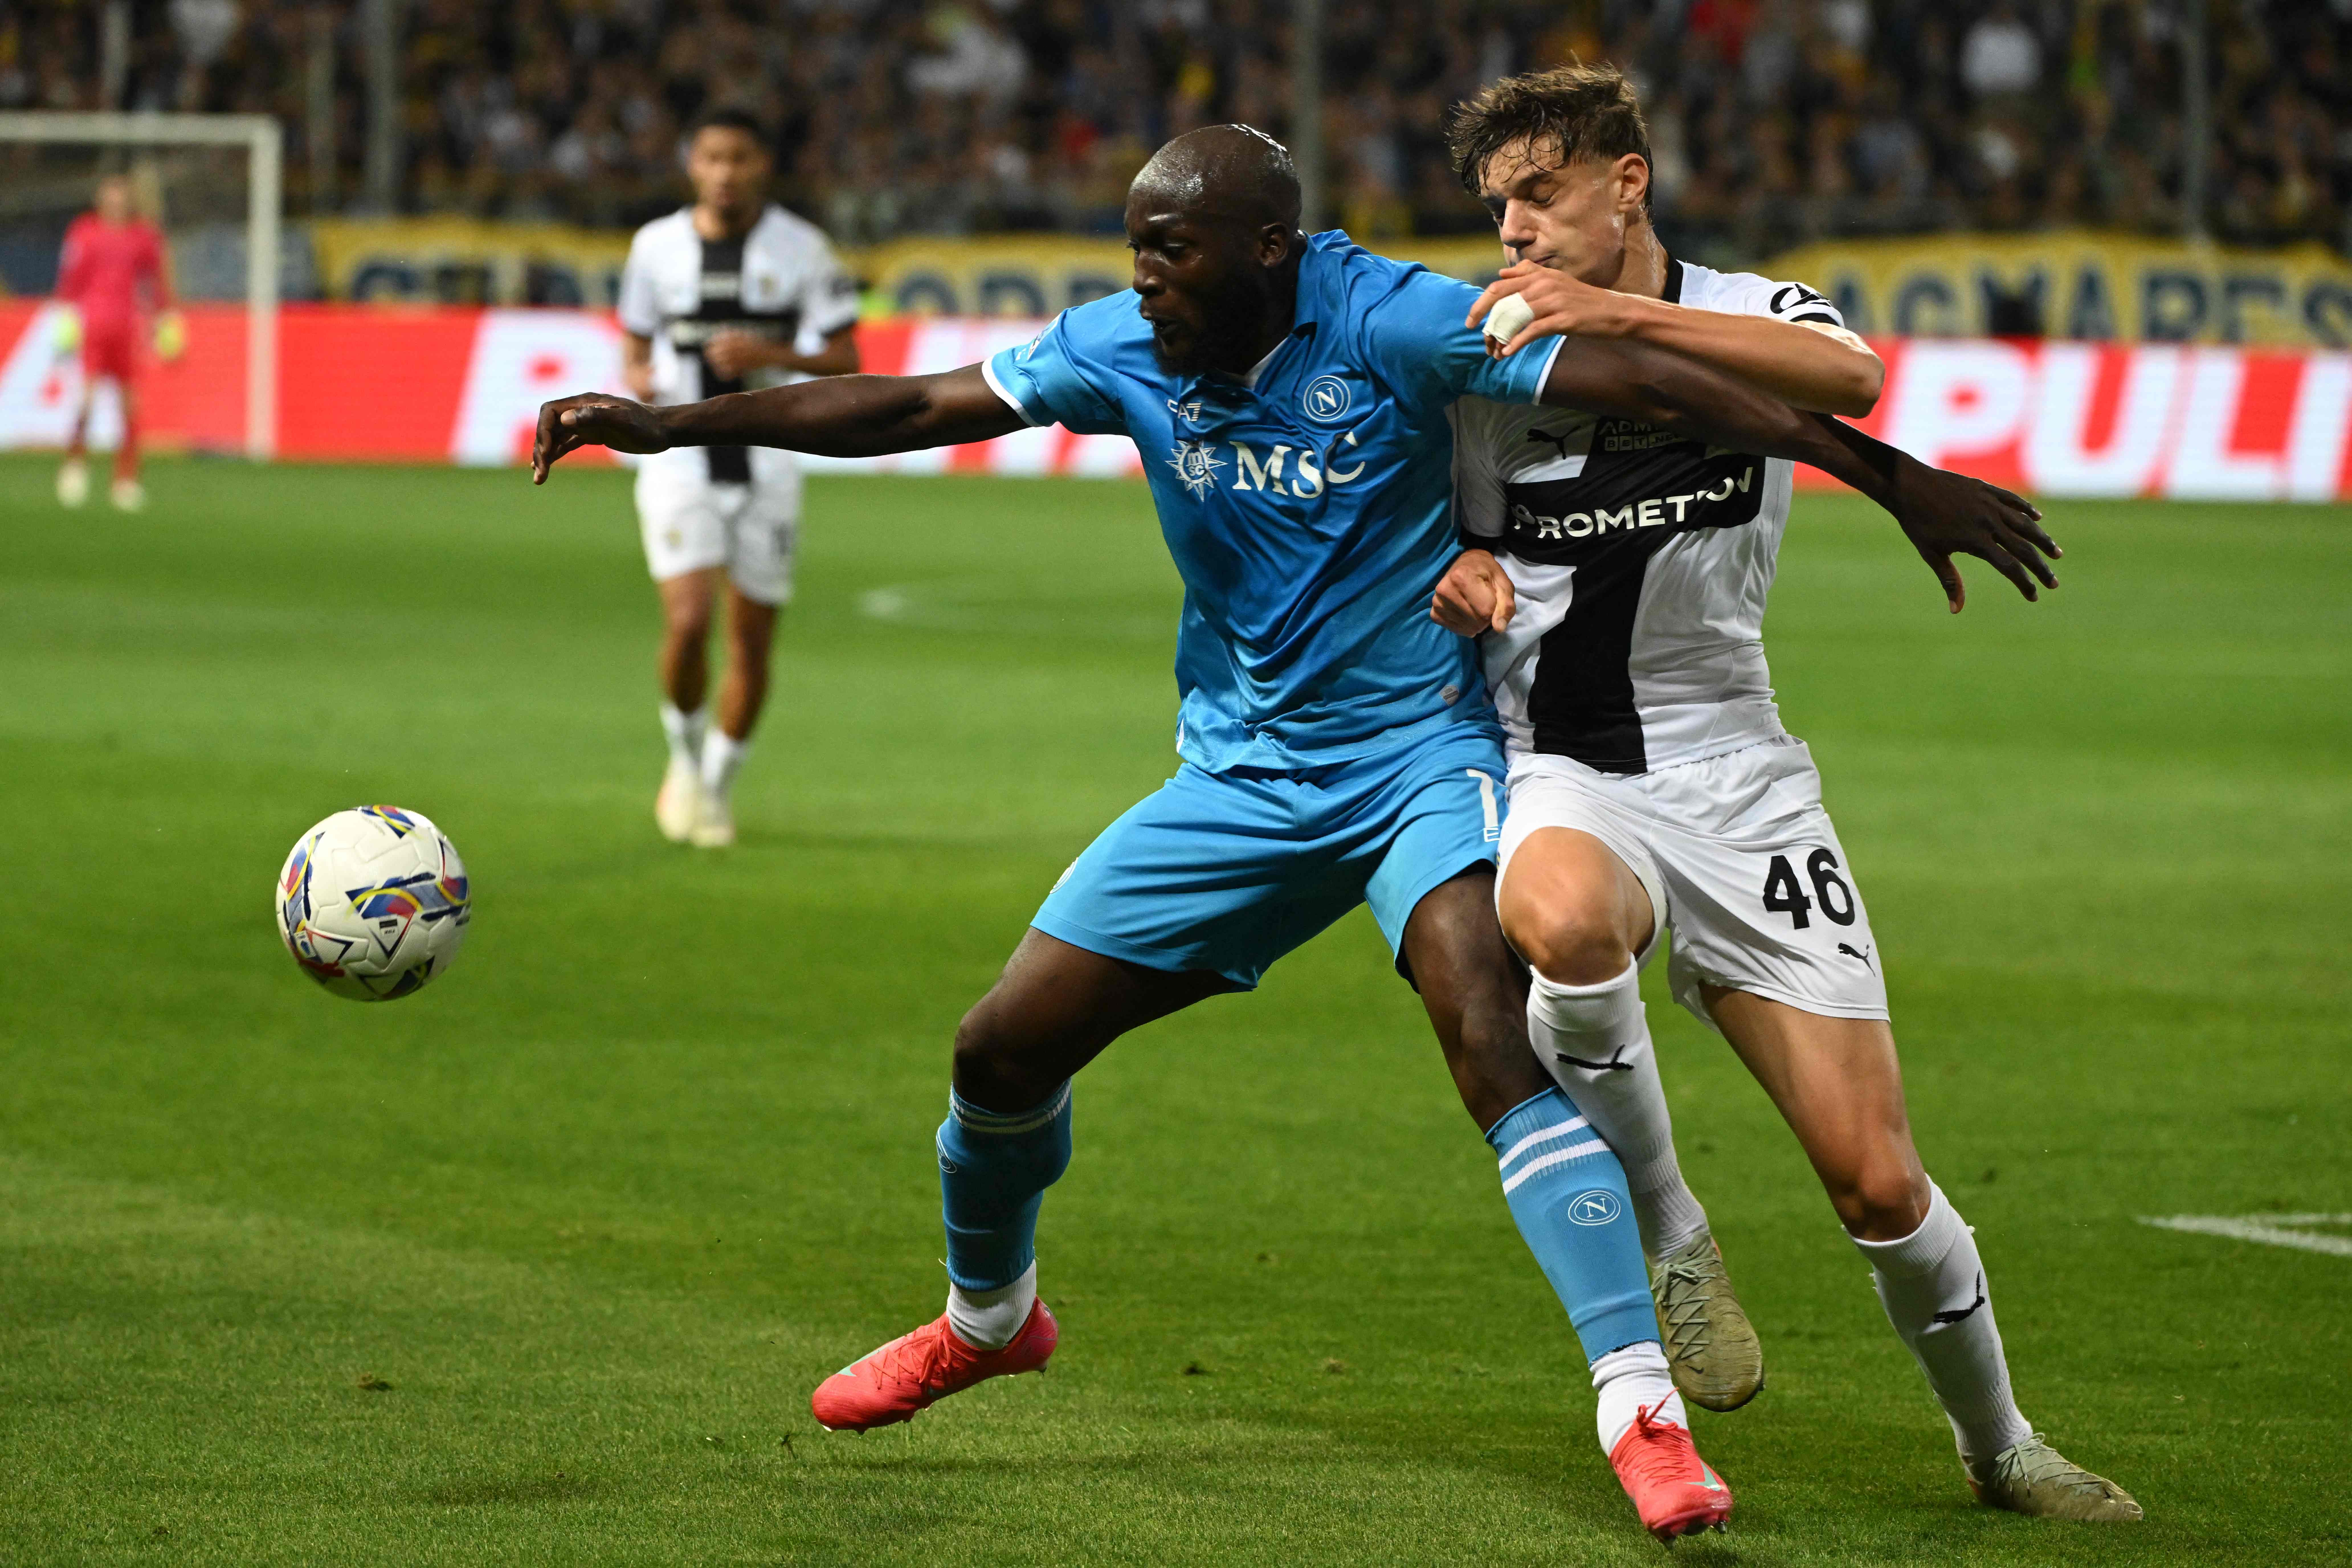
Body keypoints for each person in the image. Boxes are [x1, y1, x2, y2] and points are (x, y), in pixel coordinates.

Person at [533, 126, 2047, 1544]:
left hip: (1419, 764)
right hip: (1241, 782)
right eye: (1136, 251)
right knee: (998, 1051)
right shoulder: (1123, 345)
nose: (1144, 282)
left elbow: (1646, 385)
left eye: (1172, 253)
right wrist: (666, 422)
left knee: (1487, 1024)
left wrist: (1890, 477)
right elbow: (918, 405)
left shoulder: (1391, 323)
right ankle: (989, 1323)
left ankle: (1642, 1407)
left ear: (1271, 249)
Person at [1429, 63, 2139, 1523]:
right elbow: (1415, 518)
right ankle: (1669, 1224)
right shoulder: (1485, 353)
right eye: (1496, 206)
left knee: (1875, 1183)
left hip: (1740, 772)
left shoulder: (1755, 309)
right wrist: (1448, 563)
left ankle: (1999, 1443)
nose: (1512, 231)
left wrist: (1611, 310)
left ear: (1627, 181)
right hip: (1567, 759)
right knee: (1556, 916)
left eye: (1539, 196)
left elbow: (1850, 383)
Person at [616, 107, 861, 848]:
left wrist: (770, 352)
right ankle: (685, 761)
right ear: (693, 163)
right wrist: (638, 377)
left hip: (769, 462)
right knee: (689, 622)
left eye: (742, 159)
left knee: (751, 642)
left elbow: (848, 355)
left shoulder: (802, 248)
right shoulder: (655, 247)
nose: (727, 173)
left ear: (764, 166)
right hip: (679, 459)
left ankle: (718, 787)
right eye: (714, 158)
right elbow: (633, 342)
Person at [53, 174, 179, 514]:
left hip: (128, 328)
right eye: (109, 197)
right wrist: (65, 315)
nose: (115, 204)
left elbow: (157, 281)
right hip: (94, 327)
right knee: (88, 399)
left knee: (130, 406)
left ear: (128, 201)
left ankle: (126, 480)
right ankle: (75, 466)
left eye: (120, 198)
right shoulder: (84, 232)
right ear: (100, 200)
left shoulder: (143, 236)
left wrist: (167, 318)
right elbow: (71, 278)